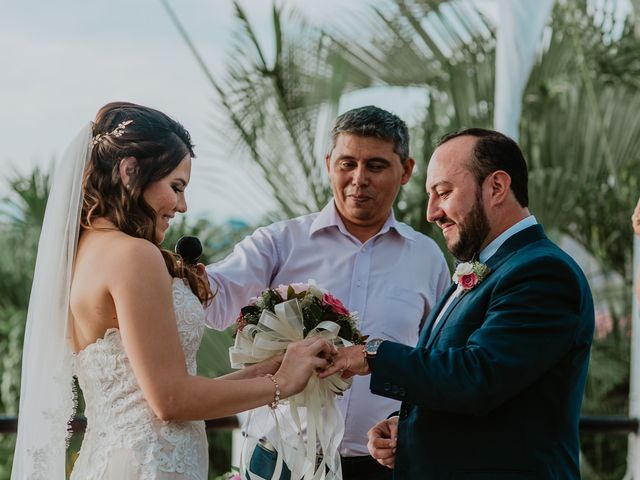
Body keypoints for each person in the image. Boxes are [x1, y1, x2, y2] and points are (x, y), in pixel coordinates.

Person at [11, 102, 334, 480]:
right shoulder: (135, 255)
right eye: (175, 187)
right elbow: (170, 401)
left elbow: (150, 395)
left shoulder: (82, 254)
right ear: (130, 172)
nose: (182, 205)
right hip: (147, 468)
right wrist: (281, 385)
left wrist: (264, 370)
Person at [322, 128, 595, 479]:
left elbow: (478, 376)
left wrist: (371, 354)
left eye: (444, 193)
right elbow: (458, 380)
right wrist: (405, 427)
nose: (432, 212)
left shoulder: (542, 272)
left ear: (497, 187)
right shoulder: (491, 265)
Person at [205, 105, 451, 480]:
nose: (358, 178)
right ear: (328, 163)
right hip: (281, 461)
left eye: (376, 166)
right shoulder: (279, 243)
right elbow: (212, 299)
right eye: (347, 163)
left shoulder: (428, 258)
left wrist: (407, 425)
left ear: (406, 170)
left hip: (383, 466)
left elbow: (438, 363)